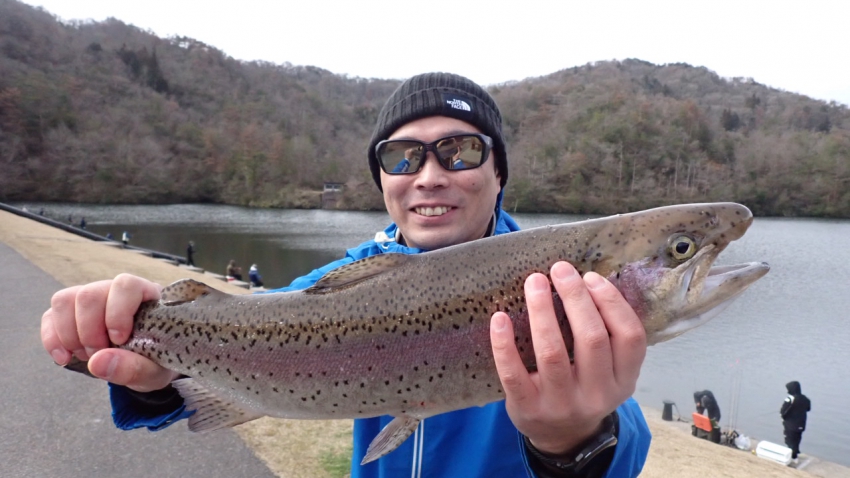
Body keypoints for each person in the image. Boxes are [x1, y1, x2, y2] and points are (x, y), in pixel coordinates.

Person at [40, 72, 651, 477]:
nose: (429, 176)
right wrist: (151, 359)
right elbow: (249, 334)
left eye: (461, 151)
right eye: (401, 157)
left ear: (499, 175)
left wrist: (574, 442)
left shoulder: (555, 285)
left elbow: (626, 436)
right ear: (382, 180)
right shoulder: (341, 282)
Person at [781, 381, 811, 463]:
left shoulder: (790, 399)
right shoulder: (805, 399)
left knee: (789, 440)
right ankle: (795, 453)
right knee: (797, 440)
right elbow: (808, 409)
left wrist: (784, 418)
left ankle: (793, 457)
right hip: (801, 424)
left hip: (791, 424)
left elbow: (783, 411)